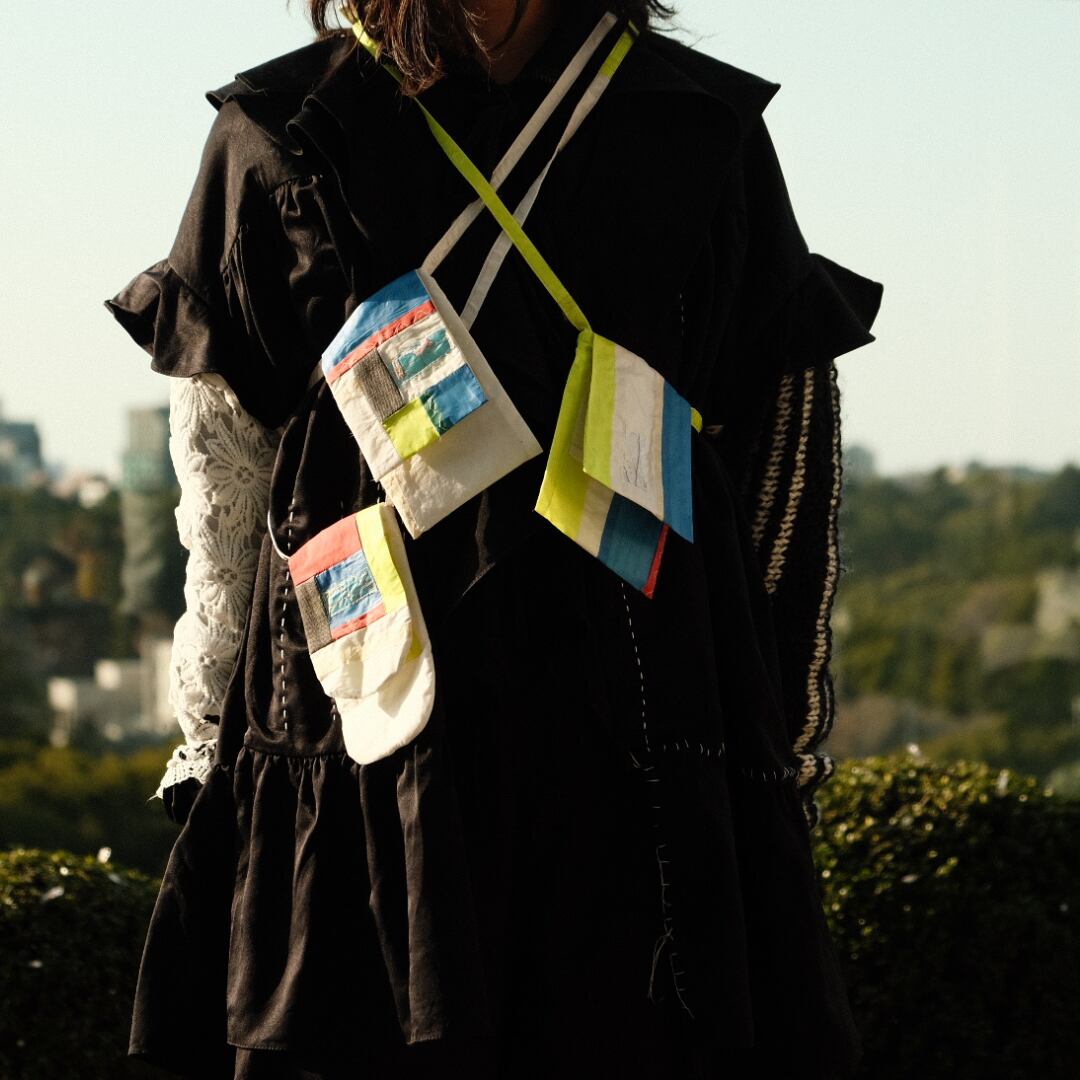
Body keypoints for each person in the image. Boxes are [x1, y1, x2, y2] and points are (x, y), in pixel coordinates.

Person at [104, 1, 884, 1077]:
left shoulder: (695, 126)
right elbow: (228, 471)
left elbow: (780, 451)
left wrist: (775, 738)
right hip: (367, 719)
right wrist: (211, 743)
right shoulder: (283, 127)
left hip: (637, 724)